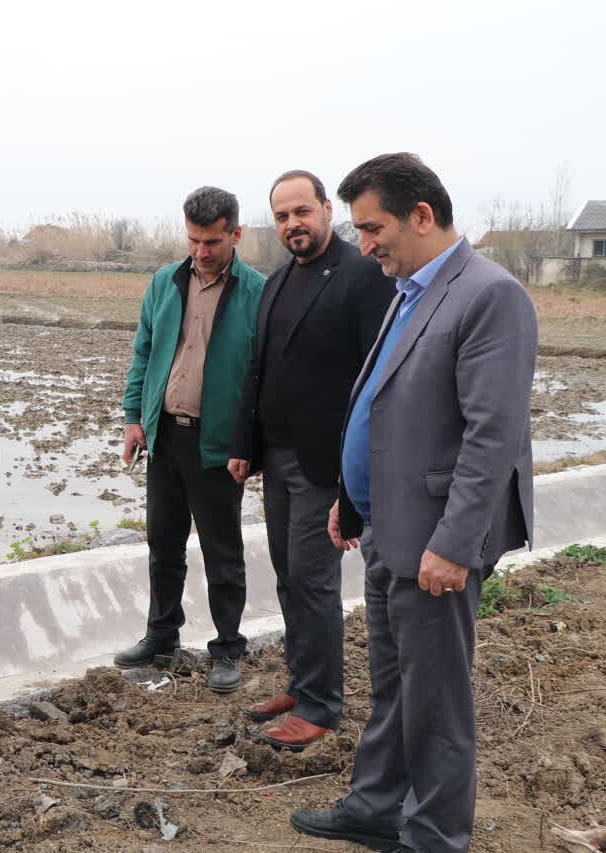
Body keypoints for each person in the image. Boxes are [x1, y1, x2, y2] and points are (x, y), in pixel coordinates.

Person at [289, 153, 536, 853]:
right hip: (387, 527)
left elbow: (493, 435)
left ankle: (433, 836)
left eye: (373, 228)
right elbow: (385, 402)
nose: (363, 245)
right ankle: (375, 806)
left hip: (435, 540)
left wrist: (456, 542)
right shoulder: (412, 288)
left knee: (437, 701)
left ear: (421, 216)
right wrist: (353, 498)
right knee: (394, 687)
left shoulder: (490, 295)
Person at [228, 170, 392, 750]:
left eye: (302, 211)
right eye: (281, 216)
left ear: (326, 208)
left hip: (327, 461)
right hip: (277, 454)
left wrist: (358, 470)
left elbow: (377, 376)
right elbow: (259, 367)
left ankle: (322, 705)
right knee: (288, 575)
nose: (292, 224)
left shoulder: (363, 275)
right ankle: (301, 682)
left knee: (314, 581)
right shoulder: (276, 283)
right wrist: (245, 444)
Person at [116, 186, 265, 692]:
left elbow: (264, 376)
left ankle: (226, 648)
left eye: (212, 242)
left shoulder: (257, 292)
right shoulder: (165, 282)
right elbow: (143, 351)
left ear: (235, 235)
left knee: (223, 550)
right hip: (165, 438)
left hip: (218, 445)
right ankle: (161, 636)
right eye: (194, 241)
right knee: (163, 543)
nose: (201, 252)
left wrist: (250, 443)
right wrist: (135, 417)